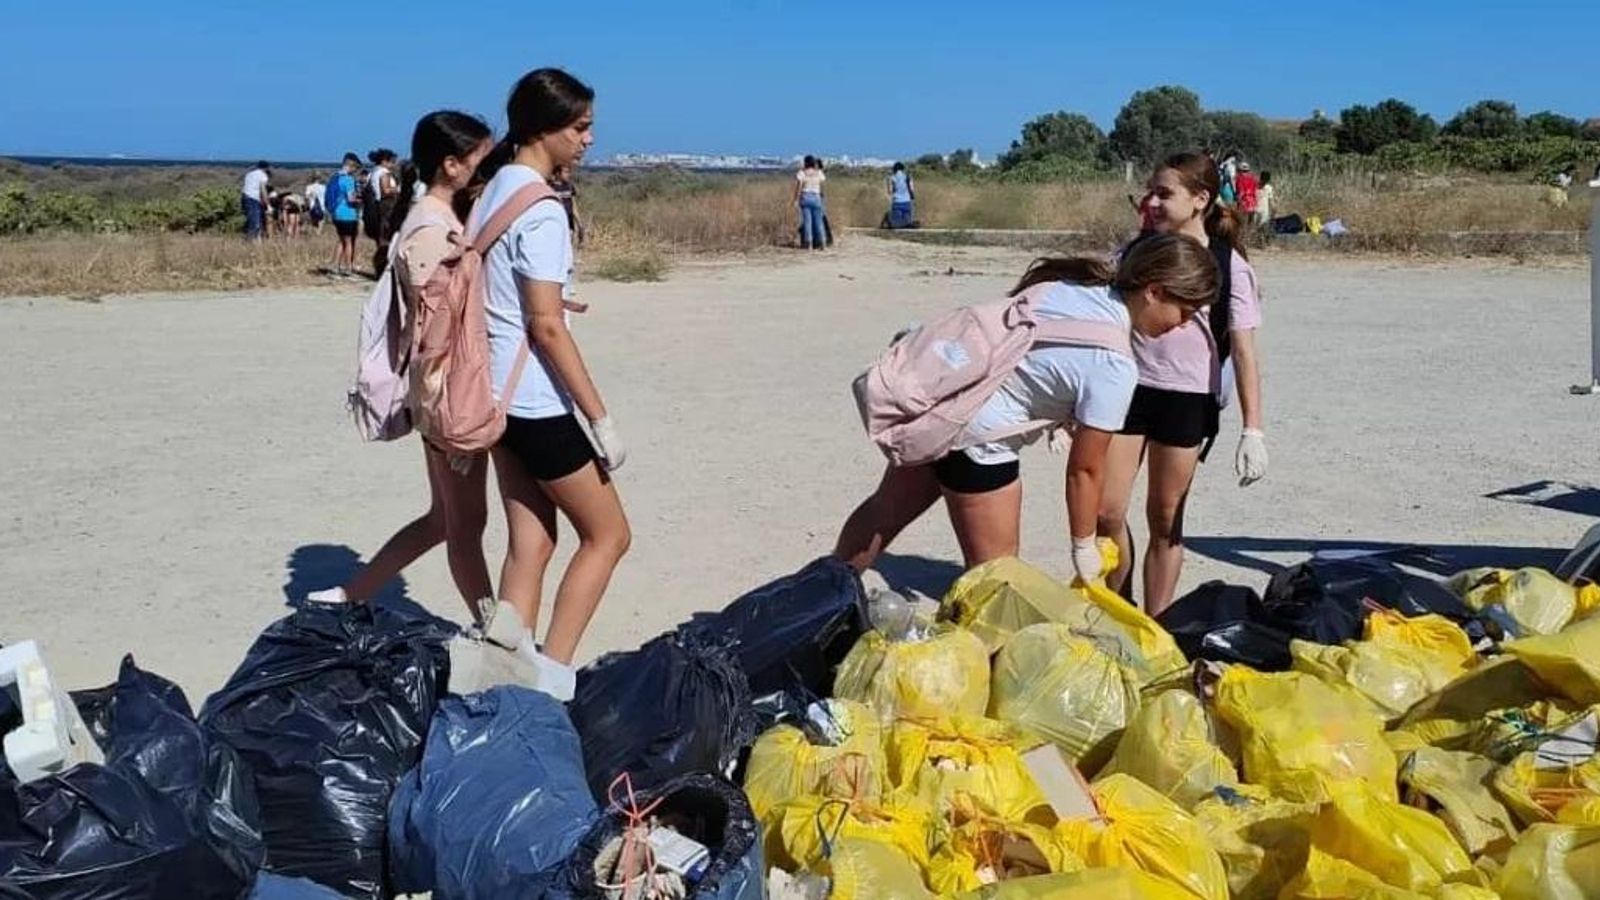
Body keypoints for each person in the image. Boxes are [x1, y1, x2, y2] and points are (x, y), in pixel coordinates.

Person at [834, 233, 1220, 581]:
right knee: (995, 580)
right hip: (980, 444)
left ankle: (818, 603)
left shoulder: (1071, 286)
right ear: (1154, 291)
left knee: (882, 515)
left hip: (943, 411)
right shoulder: (1116, 366)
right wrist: (1083, 544)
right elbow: (1085, 470)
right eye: (1184, 313)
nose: (1182, 325)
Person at [469, 67, 630, 697]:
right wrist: (600, 417)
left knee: (529, 544)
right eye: (580, 127)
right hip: (536, 402)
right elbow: (545, 326)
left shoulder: (495, 189)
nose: (589, 139)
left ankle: (500, 678)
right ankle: (552, 677)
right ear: (543, 128)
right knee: (609, 535)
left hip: (494, 397)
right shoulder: (540, 209)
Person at [308, 111, 497, 621]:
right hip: (446, 393)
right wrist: (447, 422)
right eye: (482, 159)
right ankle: (495, 630)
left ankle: (351, 595)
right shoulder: (434, 229)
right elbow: (433, 334)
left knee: (444, 520)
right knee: (464, 525)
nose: (488, 170)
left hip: (435, 392)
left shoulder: (430, 217)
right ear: (452, 165)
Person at [1099, 151, 1269, 616]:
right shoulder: (1133, 253)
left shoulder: (1229, 266)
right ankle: (1120, 608)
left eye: (1164, 193)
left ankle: (1158, 623)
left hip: (1188, 399)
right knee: (1106, 511)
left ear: (1200, 199)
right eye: (1149, 193)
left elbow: (1245, 352)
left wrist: (1253, 429)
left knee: (1165, 519)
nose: (1151, 202)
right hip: (1126, 390)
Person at [365, 149, 401, 276]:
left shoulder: (372, 173)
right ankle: (386, 268)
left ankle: (380, 267)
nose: (393, 164)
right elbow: (385, 190)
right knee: (387, 237)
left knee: (380, 239)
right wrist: (398, 189)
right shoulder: (384, 173)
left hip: (376, 207)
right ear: (385, 161)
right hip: (387, 206)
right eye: (392, 162)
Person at [327, 153, 363, 276]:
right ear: (351, 165)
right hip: (348, 214)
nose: (355, 171)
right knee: (349, 242)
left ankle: (334, 266)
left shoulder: (335, 177)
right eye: (356, 168)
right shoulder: (348, 179)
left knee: (341, 241)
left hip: (336, 213)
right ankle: (348, 269)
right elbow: (351, 199)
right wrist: (361, 200)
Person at [794, 154, 828, 250]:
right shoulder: (818, 173)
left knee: (807, 222)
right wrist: (822, 197)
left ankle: (809, 244)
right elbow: (822, 186)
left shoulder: (802, 173)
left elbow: (799, 187)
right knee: (819, 222)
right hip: (816, 197)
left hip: (805, 197)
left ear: (805, 163)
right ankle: (823, 243)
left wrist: (796, 199)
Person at [548, 164, 583, 244]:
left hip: (569, 222)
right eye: (566, 172)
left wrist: (579, 224)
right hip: (555, 223)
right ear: (558, 173)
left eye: (569, 172)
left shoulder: (569, 187)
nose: (568, 175)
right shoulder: (550, 187)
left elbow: (573, 206)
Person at [241, 160, 270, 240]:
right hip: (253, 199)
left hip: (244, 197)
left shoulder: (249, 174)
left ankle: (250, 237)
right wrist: (267, 204)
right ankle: (251, 240)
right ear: (266, 168)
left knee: (250, 219)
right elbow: (263, 189)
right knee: (255, 221)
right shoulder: (263, 175)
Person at [887, 161, 915, 228]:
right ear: (903, 169)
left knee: (896, 223)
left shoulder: (892, 178)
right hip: (907, 202)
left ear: (894, 169)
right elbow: (912, 189)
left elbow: (890, 191)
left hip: (897, 202)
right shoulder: (908, 177)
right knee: (907, 222)